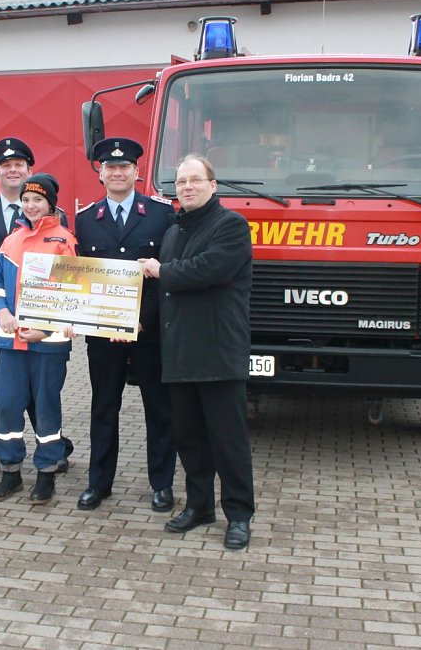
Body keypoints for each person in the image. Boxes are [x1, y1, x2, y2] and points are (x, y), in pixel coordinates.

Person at [141, 154, 255, 550]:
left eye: (195, 180)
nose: (187, 187)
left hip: (219, 353)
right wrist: (135, 323)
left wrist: (161, 270)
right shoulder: (175, 233)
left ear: (213, 184)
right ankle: (200, 506)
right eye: (181, 181)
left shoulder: (231, 226)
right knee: (189, 438)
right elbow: (164, 293)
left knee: (229, 441)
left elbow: (209, 270)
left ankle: (239, 515)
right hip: (180, 354)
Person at [74, 137, 177, 512]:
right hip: (103, 333)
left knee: (159, 408)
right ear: (101, 174)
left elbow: (165, 274)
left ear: (137, 172)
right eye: (110, 168)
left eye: (124, 167)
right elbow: (80, 275)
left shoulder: (162, 215)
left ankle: (162, 484)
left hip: (149, 331)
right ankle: (99, 483)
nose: (117, 173)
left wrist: (143, 319)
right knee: (103, 406)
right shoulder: (85, 220)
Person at [0, 137, 72, 470]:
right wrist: (1, 312)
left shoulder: (61, 226)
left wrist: (52, 324)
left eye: (19, 165)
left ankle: (49, 459)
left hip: (44, 336)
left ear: (29, 171)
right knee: (1, 398)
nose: (13, 170)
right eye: (6, 165)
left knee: (43, 402)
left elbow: (68, 282)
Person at [0, 174, 77, 505]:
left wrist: (47, 327)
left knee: (46, 410)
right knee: (7, 407)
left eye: (37, 200)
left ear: (50, 203)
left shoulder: (64, 240)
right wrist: (2, 313)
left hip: (48, 344)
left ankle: (46, 475)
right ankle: (10, 472)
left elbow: (72, 294)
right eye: (26, 199)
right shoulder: (11, 240)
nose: (31, 205)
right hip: (10, 342)